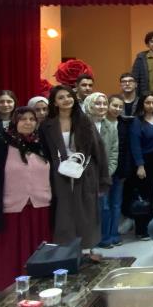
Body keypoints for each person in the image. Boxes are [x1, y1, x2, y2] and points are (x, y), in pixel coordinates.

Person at [0, 107, 51, 291]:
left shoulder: (41, 143)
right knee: (9, 250)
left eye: (32, 119)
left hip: (39, 205)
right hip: (10, 207)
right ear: (14, 122)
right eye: (23, 119)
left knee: (38, 249)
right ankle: (8, 288)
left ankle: (36, 285)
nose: (28, 122)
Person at [40, 85, 110, 251]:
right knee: (63, 213)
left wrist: (103, 178)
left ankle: (86, 250)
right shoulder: (47, 125)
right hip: (59, 175)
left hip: (85, 172)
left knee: (86, 213)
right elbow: (45, 153)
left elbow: (98, 150)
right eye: (61, 97)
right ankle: (66, 251)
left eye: (69, 96)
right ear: (54, 103)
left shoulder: (85, 121)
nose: (66, 100)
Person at [83, 92, 120, 248]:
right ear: (90, 105)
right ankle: (87, 239)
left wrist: (106, 173)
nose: (102, 106)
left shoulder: (110, 126)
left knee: (104, 207)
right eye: (98, 103)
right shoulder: (81, 125)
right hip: (84, 175)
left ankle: (104, 238)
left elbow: (114, 153)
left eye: (105, 103)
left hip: (104, 176)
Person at [128, 93, 153, 239]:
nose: (151, 105)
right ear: (142, 104)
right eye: (147, 102)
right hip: (144, 162)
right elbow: (135, 145)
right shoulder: (137, 121)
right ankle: (142, 230)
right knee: (144, 196)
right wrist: (140, 165)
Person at [105, 94, 131, 246]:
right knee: (104, 205)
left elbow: (127, 149)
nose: (117, 109)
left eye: (120, 107)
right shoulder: (101, 122)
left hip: (120, 169)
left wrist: (125, 170)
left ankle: (114, 234)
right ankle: (104, 236)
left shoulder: (124, 124)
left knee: (116, 204)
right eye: (114, 105)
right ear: (108, 105)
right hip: (104, 170)